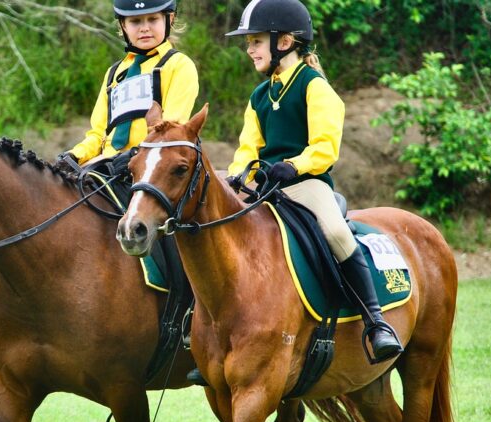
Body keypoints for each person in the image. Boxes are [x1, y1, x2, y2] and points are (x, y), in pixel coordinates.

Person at [227, 0, 402, 364]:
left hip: (306, 184)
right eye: (249, 43)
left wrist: (293, 165)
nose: (250, 49)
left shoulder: (314, 86)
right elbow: (248, 147)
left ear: (284, 42)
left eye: (256, 41)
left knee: (336, 233)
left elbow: (325, 147)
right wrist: (238, 173)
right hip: (267, 189)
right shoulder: (259, 97)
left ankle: (376, 322)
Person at [53, 0, 199, 176]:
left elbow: (170, 132)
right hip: (108, 166)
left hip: (150, 169)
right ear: (123, 25)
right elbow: (98, 134)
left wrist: (130, 157)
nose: (144, 28)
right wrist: (75, 155)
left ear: (170, 19)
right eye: (135, 21)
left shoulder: (179, 65)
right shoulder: (113, 72)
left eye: (152, 19)